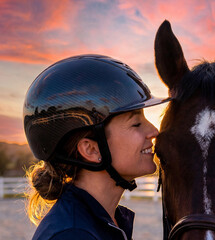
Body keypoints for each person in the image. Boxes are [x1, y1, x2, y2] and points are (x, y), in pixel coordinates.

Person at [23, 54, 169, 240]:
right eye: (136, 124)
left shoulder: (102, 221)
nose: (154, 131)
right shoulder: (73, 235)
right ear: (91, 150)